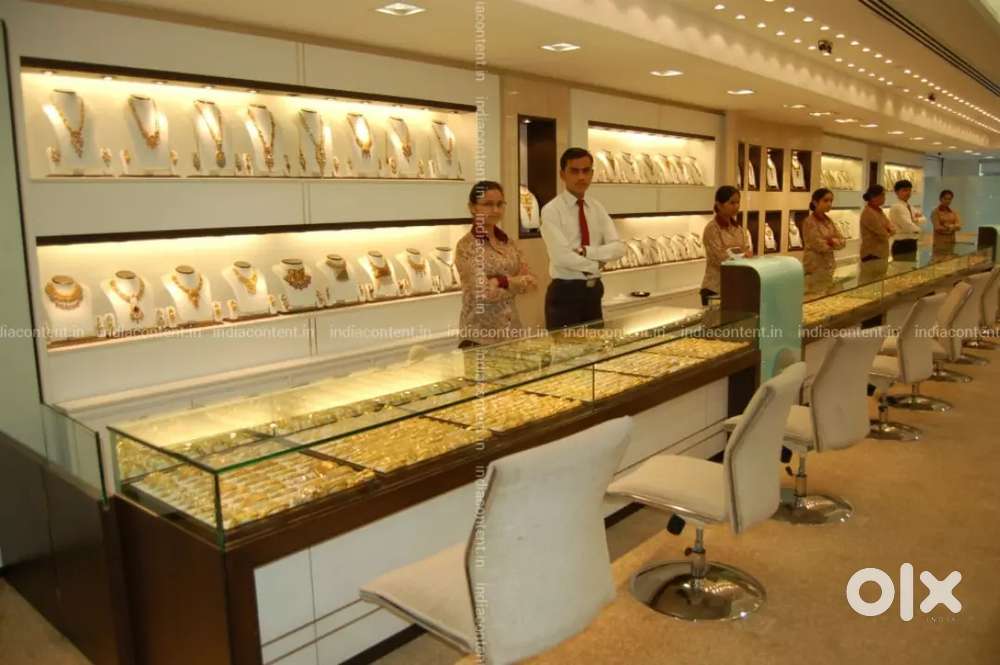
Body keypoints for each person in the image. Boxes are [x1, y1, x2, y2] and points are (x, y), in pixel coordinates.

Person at [540, 147, 624, 329]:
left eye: (586, 171)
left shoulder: (597, 208)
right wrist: (596, 265)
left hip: (594, 292)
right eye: (574, 171)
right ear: (562, 174)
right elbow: (561, 257)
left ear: (592, 174)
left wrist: (587, 251)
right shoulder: (551, 211)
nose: (581, 177)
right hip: (565, 293)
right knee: (566, 347)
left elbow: (618, 248)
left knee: (595, 346)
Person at [455, 180, 537, 348]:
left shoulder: (508, 242)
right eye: (488, 204)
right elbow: (482, 292)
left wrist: (499, 281)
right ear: (472, 207)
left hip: (512, 334)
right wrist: (515, 283)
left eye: (500, 204)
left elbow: (531, 283)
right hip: (479, 338)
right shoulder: (466, 246)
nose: (496, 210)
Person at [700, 185, 751, 305]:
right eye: (732, 203)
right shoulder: (712, 229)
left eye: (738, 202)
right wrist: (742, 256)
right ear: (719, 205)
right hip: (715, 289)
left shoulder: (739, 229)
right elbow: (720, 259)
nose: (736, 206)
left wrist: (744, 256)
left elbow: (747, 252)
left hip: (735, 289)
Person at [801, 187, 845, 274]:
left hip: (829, 266)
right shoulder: (809, 222)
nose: (829, 204)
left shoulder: (829, 221)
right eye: (825, 200)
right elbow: (819, 245)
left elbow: (842, 241)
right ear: (815, 202)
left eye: (831, 201)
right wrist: (833, 242)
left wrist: (831, 241)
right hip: (814, 267)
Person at [859, 184, 896, 261]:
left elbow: (892, 228)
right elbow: (883, 233)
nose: (884, 198)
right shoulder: (868, 213)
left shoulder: (879, 211)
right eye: (883, 195)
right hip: (871, 254)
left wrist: (889, 229)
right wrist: (888, 230)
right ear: (874, 197)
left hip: (881, 252)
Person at [888, 179, 923, 256]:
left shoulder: (910, 207)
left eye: (909, 190)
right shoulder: (897, 207)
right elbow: (908, 225)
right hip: (902, 244)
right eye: (905, 190)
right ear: (897, 192)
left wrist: (915, 220)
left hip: (911, 242)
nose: (908, 193)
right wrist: (919, 228)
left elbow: (923, 218)